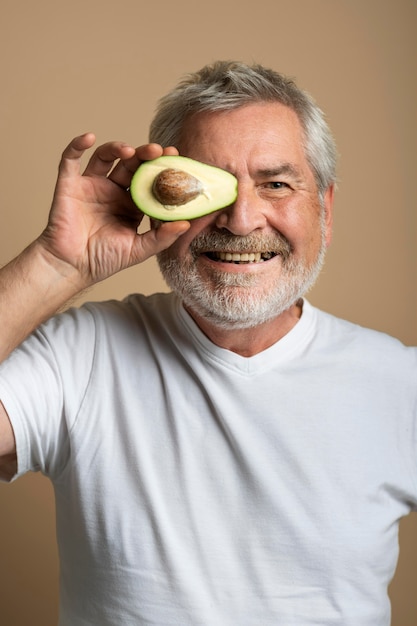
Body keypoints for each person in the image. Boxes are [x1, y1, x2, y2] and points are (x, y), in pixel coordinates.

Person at [0, 60, 415, 626]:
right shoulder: (83, 356)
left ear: (325, 208)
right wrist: (55, 266)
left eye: (275, 184)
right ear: (158, 203)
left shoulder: (399, 383)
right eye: (200, 186)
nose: (241, 220)